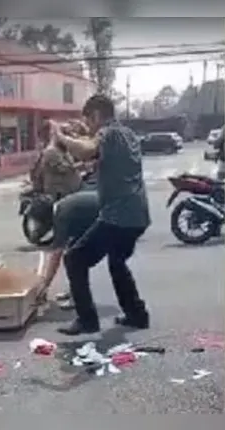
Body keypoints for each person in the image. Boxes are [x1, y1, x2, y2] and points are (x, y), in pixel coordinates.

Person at [51, 94, 151, 336]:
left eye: (89, 121)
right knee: (117, 261)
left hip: (118, 216)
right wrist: (89, 165)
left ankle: (87, 320)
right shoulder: (127, 134)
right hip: (138, 215)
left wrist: (61, 138)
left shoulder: (108, 133)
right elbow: (105, 160)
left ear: (96, 115)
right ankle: (137, 314)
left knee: (74, 259)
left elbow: (87, 149)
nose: (89, 127)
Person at [39, 190, 100, 309]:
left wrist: (45, 285)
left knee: (74, 260)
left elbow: (56, 254)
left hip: (111, 218)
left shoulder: (61, 216)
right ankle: (74, 292)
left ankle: (78, 300)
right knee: (73, 252)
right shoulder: (61, 206)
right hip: (97, 217)